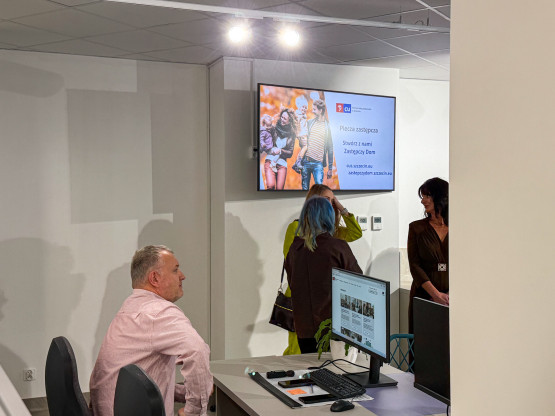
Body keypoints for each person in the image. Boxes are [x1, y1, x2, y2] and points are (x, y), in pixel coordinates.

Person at [90, 245, 213, 416]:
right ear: (154, 278)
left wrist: (181, 393)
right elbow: (198, 351)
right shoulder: (158, 312)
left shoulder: (132, 307)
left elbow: (141, 375)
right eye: (175, 270)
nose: (182, 276)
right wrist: (194, 412)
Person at [282, 184, 363, 355]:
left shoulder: (297, 246)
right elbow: (358, 281)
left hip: (304, 315)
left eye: (333, 201)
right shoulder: (335, 245)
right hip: (326, 318)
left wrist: (341, 208)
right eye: (328, 201)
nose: (332, 205)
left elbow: (355, 233)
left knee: (306, 358)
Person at [408, 177, 449, 335]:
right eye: (422, 196)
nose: (423, 201)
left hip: (453, 298)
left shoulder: (460, 226)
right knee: (422, 342)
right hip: (423, 296)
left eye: (427, 196)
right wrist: (436, 295)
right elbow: (414, 266)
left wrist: (450, 295)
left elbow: (467, 263)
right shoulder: (416, 228)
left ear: (441, 197)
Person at [300, 100, 334, 190]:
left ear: (321, 110)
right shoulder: (309, 123)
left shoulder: (328, 127)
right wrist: (301, 142)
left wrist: (330, 168)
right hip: (306, 162)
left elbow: (330, 148)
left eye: (314, 109)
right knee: (304, 190)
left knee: (319, 190)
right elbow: (303, 140)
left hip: (318, 164)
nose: (312, 111)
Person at [263, 108, 297, 190]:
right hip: (270, 161)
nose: (282, 119)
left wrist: (281, 151)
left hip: (282, 164)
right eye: (282, 117)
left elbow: (290, 153)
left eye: (285, 119)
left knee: (279, 189)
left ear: (289, 121)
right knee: (270, 186)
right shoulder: (273, 129)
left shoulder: (292, 135)